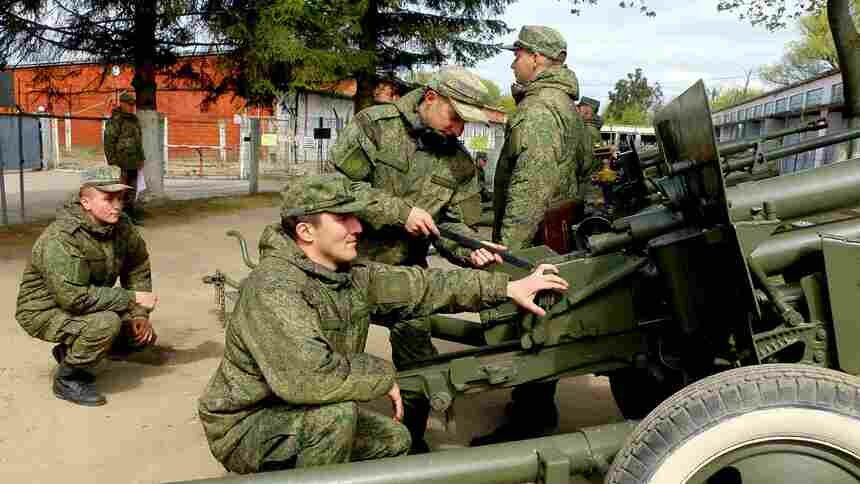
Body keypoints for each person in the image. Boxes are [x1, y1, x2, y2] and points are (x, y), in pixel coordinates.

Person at [197, 175, 569, 474]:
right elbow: (309, 379)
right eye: (343, 218)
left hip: (297, 410)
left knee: (394, 441)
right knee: (334, 418)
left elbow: (425, 286)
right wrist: (381, 373)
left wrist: (508, 286)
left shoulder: (348, 274)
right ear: (305, 231)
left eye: (356, 216)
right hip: (247, 424)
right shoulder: (275, 287)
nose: (358, 227)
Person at [330, 66, 504, 452]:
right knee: (336, 369)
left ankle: (409, 444)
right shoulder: (375, 126)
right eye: (456, 117)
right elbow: (334, 190)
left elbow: (454, 226)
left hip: (405, 275)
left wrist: (471, 250)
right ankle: (330, 449)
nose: (459, 130)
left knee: (420, 365)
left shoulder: (458, 164)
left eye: (466, 123)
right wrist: (399, 212)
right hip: (345, 272)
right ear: (430, 97)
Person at [474, 25, 599, 447]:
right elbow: (581, 174)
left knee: (530, 324)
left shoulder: (540, 110)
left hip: (534, 236)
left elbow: (531, 185)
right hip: (555, 232)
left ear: (537, 59)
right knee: (544, 318)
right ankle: (532, 407)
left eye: (519, 54)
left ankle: (531, 421)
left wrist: (505, 252)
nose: (513, 61)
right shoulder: (565, 105)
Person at [15, 165, 158, 406]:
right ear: (86, 202)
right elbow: (74, 298)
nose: (117, 205)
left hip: (85, 301)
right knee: (107, 324)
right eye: (108, 198)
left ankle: (70, 353)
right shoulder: (62, 237)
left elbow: (137, 264)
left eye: (120, 198)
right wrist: (131, 299)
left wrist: (139, 314)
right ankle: (69, 379)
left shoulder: (121, 227)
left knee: (137, 337)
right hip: (43, 310)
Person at [104, 91, 146, 224]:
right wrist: (112, 161)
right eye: (129, 104)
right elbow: (109, 141)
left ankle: (129, 217)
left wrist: (141, 158)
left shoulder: (134, 120)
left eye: (133, 104)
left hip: (133, 161)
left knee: (131, 191)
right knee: (120, 191)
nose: (131, 107)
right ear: (121, 103)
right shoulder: (116, 119)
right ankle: (116, 218)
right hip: (121, 162)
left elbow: (138, 141)